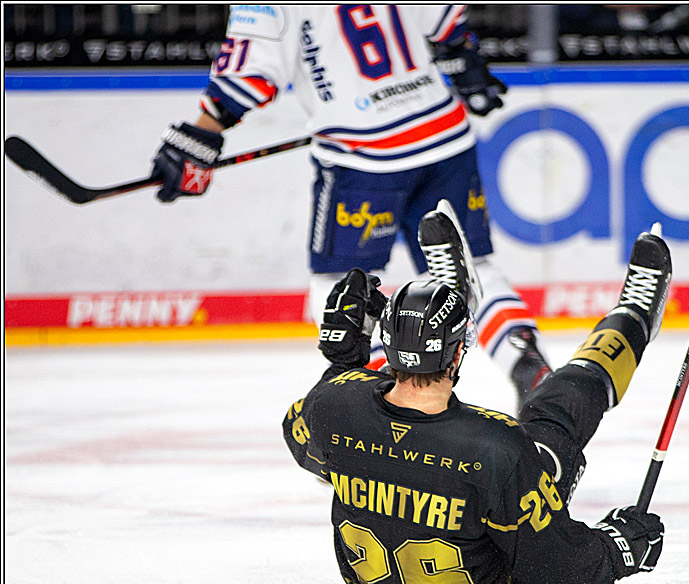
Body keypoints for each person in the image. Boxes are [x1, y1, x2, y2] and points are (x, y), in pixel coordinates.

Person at [149, 4, 551, 409]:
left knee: (338, 283)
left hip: (364, 154)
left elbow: (249, 71)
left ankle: (378, 397)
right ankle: (526, 363)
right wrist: (464, 62)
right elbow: (445, 20)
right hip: (443, 135)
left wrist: (203, 132)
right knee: (472, 267)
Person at [282, 203, 671, 584]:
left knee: (366, 419)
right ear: (457, 354)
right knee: (557, 411)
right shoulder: (498, 448)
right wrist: (619, 547)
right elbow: (570, 571)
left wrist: (342, 361)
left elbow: (304, 434)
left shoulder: (331, 405)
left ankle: (454, 295)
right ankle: (634, 317)